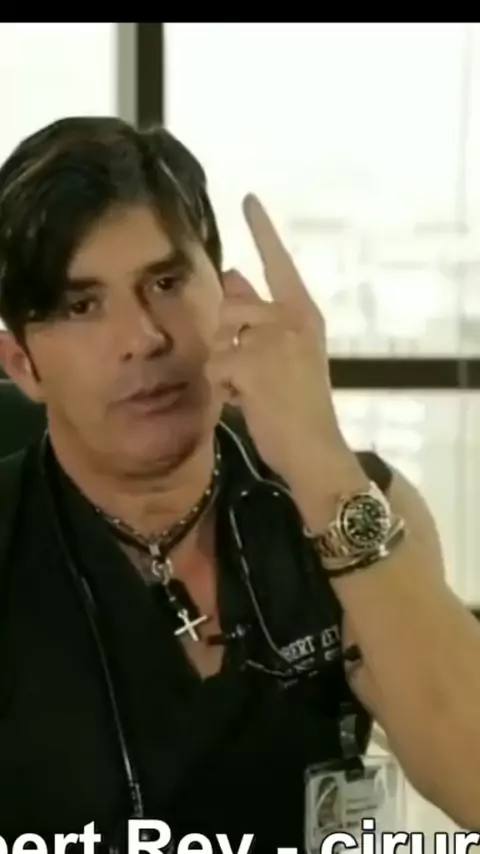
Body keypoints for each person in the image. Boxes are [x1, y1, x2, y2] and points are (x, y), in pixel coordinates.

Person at [0, 117, 478, 852]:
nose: (145, 338)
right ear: (22, 366)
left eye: (165, 283)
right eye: (82, 305)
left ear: (226, 293)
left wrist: (320, 463)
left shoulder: (349, 500)